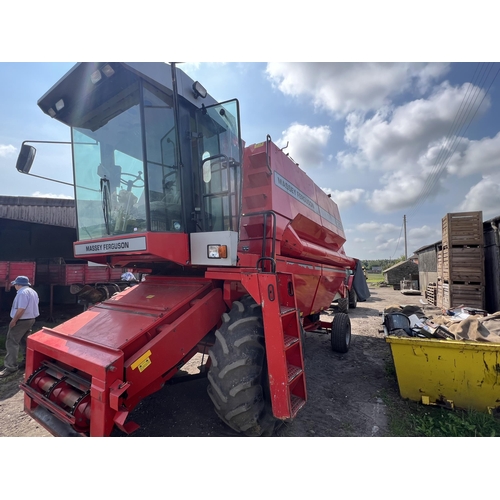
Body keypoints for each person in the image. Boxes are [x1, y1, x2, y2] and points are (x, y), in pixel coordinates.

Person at [0, 276, 39, 378]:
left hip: (21, 321)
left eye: (15, 284)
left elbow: (21, 308)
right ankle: (27, 362)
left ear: (19, 284)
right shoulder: (32, 292)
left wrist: (14, 320)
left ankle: (10, 367)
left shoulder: (22, 293)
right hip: (31, 319)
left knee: (11, 342)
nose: (14, 286)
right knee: (24, 341)